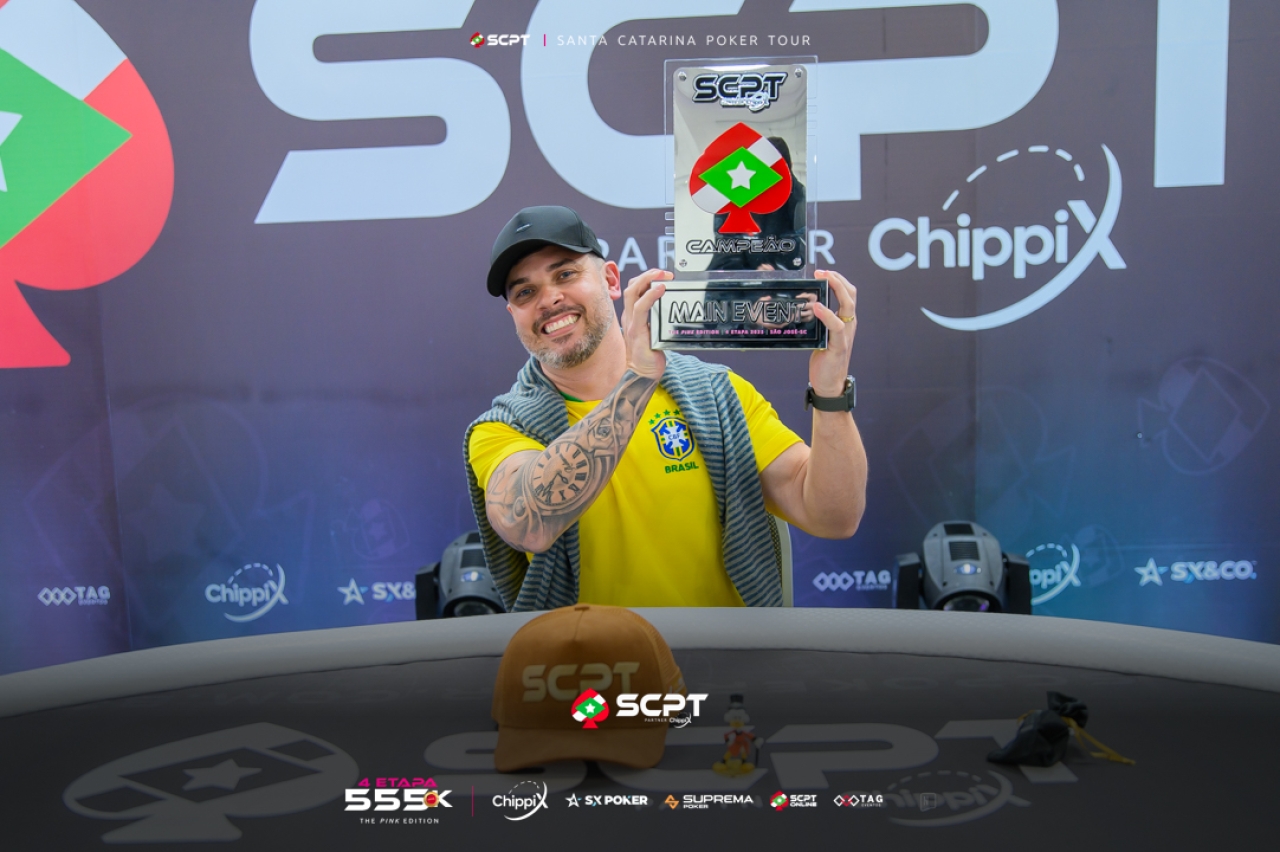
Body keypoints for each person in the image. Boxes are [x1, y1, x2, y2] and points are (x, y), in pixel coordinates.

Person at [464, 206, 866, 612]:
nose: (549, 299)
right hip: (587, 655)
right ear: (513, 314)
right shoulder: (502, 429)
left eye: (565, 274)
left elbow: (834, 517)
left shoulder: (717, 394)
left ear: (610, 280)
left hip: (723, 652)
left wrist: (830, 393)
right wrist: (638, 379)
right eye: (524, 293)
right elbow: (528, 525)